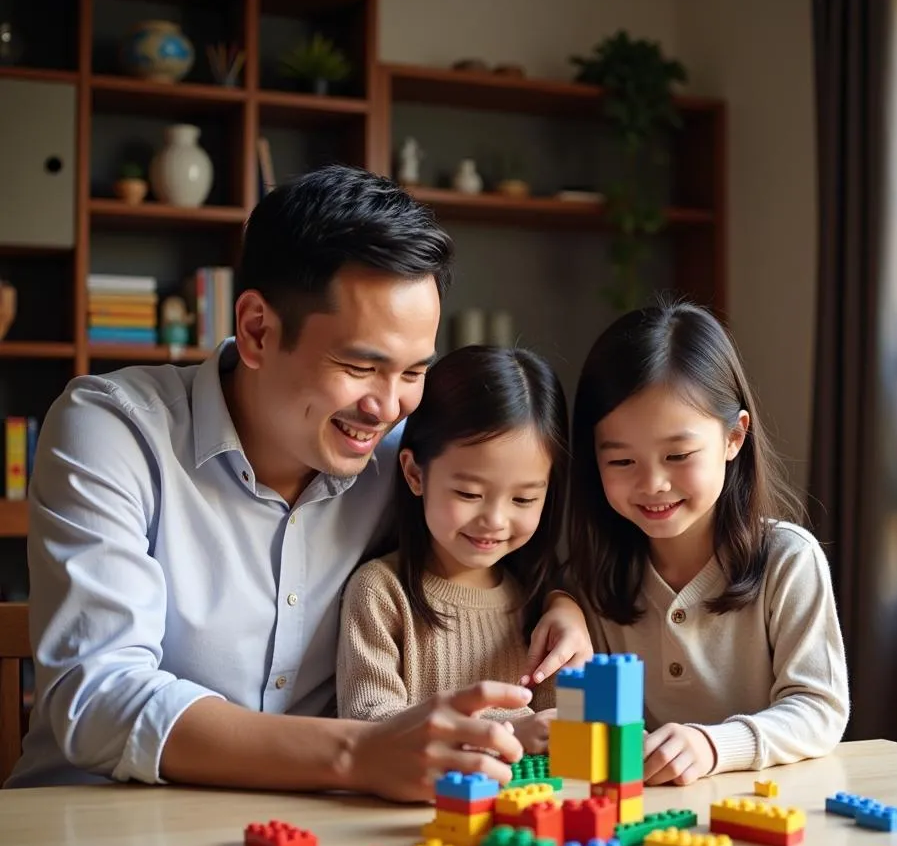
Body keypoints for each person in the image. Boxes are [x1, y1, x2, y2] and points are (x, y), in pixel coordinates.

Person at [5, 164, 591, 799]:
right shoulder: (111, 430)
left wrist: (563, 604)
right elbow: (97, 696)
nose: (388, 405)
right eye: (360, 365)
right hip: (93, 826)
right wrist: (360, 753)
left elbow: (496, 532)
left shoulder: (401, 459)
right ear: (258, 329)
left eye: (413, 371)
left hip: (306, 838)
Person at [568, 302, 852, 846]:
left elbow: (820, 708)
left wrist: (716, 743)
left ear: (734, 437)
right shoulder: (590, 578)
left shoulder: (787, 559)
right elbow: (575, 725)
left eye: (677, 455)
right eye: (622, 461)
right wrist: (559, 608)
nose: (652, 484)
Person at [338, 345, 570, 753]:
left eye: (523, 500)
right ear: (415, 473)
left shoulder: (539, 604)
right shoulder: (381, 592)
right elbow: (369, 720)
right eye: (468, 493)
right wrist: (511, 732)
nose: (495, 520)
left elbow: (561, 727)